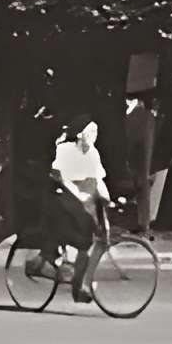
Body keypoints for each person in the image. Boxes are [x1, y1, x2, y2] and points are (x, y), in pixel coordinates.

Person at [40, 118, 110, 297]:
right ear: (80, 134)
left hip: (82, 204)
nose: (94, 136)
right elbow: (58, 178)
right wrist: (77, 194)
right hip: (61, 201)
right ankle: (45, 263)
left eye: (96, 132)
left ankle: (80, 284)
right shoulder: (64, 150)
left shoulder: (93, 154)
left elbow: (98, 180)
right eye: (90, 132)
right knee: (79, 238)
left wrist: (107, 199)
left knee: (96, 238)